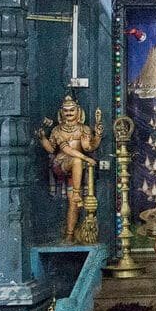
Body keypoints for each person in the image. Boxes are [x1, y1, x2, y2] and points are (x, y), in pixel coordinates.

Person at [38, 95, 103, 243]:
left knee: (73, 203)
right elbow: (57, 149)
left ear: (78, 112)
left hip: (76, 174)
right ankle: (76, 193)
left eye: (72, 110)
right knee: (76, 159)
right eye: (65, 111)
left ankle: (70, 234)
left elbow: (89, 147)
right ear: (61, 113)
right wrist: (43, 138)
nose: (69, 113)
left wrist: (97, 137)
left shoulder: (84, 129)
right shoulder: (57, 130)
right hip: (61, 165)